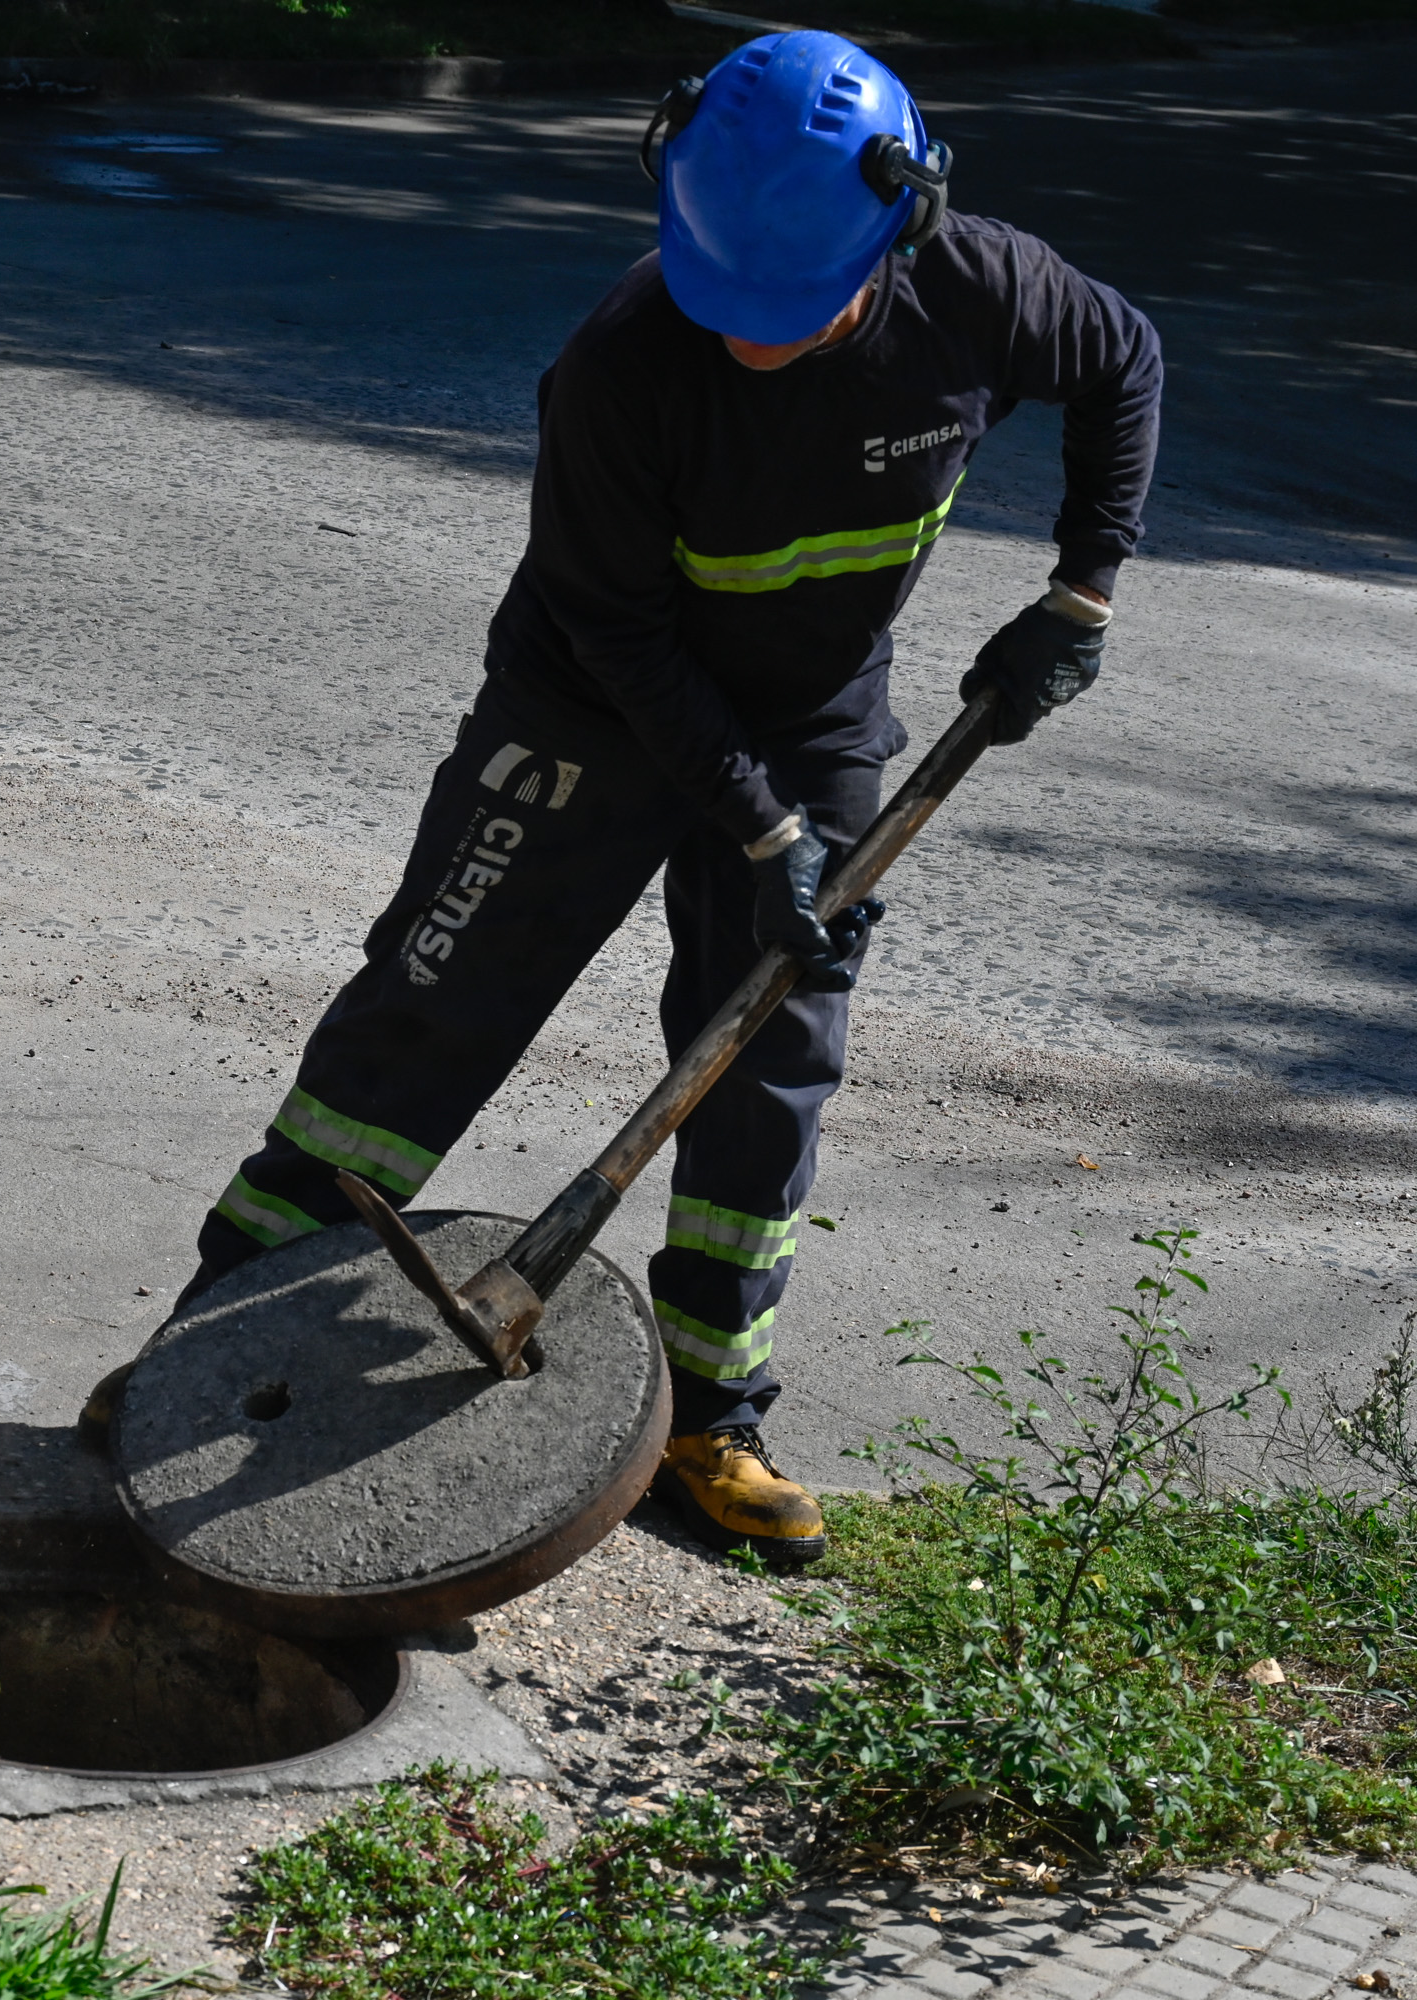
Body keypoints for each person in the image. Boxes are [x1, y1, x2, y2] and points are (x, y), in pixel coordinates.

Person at [137, 30, 1161, 1565]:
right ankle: (204, 1351)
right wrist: (763, 833)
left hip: (818, 714)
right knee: (427, 1015)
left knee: (770, 1049)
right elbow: (619, 633)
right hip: (589, 711)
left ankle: (704, 1412)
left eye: (793, 310)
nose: (750, 338)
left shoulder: (989, 290)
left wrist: (1081, 594)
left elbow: (1128, 361)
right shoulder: (623, 363)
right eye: (725, 298)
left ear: (903, 226)